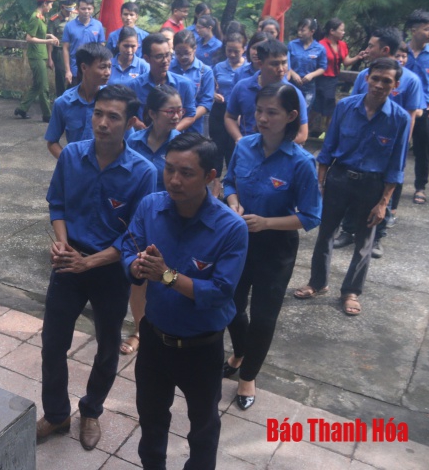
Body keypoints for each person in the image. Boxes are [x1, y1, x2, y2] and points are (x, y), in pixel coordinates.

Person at [37, 85, 156, 450]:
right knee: (52, 343)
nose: (102, 123)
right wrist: (62, 244)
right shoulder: (72, 155)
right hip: (68, 262)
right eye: (98, 114)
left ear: (132, 123)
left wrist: (89, 261)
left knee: (107, 344)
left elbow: (135, 236)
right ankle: (57, 414)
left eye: (113, 117)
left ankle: (91, 410)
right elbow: (57, 204)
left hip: (109, 271)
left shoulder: (143, 172)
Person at [119, 133, 248, 470]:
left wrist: (165, 275)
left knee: (203, 427)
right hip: (155, 339)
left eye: (186, 173)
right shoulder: (151, 206)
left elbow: (220, 292)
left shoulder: (231, 228)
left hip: (201, 349)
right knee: (151, 419)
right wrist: (134, 265)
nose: (174, 180)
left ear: (210, 177)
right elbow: (128, 244)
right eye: (169, 170)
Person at [222, 82, 321, 410]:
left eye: (272, 113)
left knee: (264, 316)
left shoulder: (301, 163)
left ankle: (248, 376)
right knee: (231, 305)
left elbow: (310, 216)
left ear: (291, 115)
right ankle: (239, 352)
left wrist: (267, 223)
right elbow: (229, 181)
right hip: (239, 240)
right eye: (259, 111)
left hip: (276, 248)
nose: (262, 118)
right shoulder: (244, 146)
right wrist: (233, 202)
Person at [294, 59, 410, 316]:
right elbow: (327, 150)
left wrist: (383, 204)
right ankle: (317, 282)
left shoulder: (399, 119)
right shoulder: (345, 107)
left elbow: (396, 166)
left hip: (372, 185)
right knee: (325, 233)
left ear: (396, 85)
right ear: (367, 78)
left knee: (364, 241)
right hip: (339, 179)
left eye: (386, 81)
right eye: (375, 78)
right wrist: (321, 184)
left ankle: (351, 291)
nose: (379, 85)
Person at [334, 27, 424, 258]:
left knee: (385, 188)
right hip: (360, 141)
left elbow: (411, 114)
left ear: (385, 49)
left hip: (389, 143)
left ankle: (377, 236)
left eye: (371, 46)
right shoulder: (366, 74)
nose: (367, 49)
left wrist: (402, 146)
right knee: (353, 184)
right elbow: (353, 104)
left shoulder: (410, 80)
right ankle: (348, 229)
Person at [120, 84, 182, 356]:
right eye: (170, 110)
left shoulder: (182, 144)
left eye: (180, 110)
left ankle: (168, 328)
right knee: (140, 276)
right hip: (137, 220)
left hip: (171, 219)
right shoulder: (132, 142)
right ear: (152, 113)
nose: (176, 116)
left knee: (169, 276)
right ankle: (139, 330)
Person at [225, 39, 309, 145]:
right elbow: (229, 117)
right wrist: (240, 139)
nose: (281, 69)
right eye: (274, 64)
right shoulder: (242, 87)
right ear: (260, 64)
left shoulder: (293, 93)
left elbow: (302, 134)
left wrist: (273, 148)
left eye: (284, 63)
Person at [45, 43, 112, 159]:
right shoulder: (63, 103)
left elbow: (128, 139)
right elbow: (52, 142)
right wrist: (69, 162)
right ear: (84, 67)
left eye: (109, 67)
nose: (108, 72)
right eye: (102, 67)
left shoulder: (113, 101)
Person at [127, 33, 197, 132]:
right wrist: (141, 127)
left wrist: (171, 132)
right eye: (159, 56)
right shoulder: (134, 86)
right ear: (147, 58)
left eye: (168, 55)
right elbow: (128, 113)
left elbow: (190, 115)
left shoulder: (184, 84)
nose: (165, 61)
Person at [315, 18, 367, 136]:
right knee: (316, 107)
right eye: (341, 30)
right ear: (332, 31)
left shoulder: (342, 45)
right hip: (320, 79)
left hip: (333, 80)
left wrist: (358, 57)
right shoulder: (320, 45)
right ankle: (304, 132)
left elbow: (346, 62)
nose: (344, 32)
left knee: (330, 109)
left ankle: (328, 134)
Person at [403, 9, 429, 205]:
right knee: (396, 146)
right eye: (427, 29)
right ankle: (390, 183)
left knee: (422, 149)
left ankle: (420, 187)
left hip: (425, 110)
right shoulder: (402, 53)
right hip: (403, 109)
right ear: (414, 30)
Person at [17, 0, 60, 122]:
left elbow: (39, 34)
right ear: (44, 4)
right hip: (36, 56)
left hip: (41, 55)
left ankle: (22, 109)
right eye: (50, 4)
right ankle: (47, 115)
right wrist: (48, 41)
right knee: (44, 87)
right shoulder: (35, 17)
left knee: (37, 85)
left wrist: (49, 35)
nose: (51, 6)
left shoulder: (41, 17)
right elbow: (29, 38)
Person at [210, 32, 247, 171]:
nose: (232, 54)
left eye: (236, 51)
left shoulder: (248, 69)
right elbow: (210, 88)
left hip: (239, 113)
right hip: (220, 110)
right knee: (217, 146)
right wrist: (214, 95)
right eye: (229, 50)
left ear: (244, 49)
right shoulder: (219, 67)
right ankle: (216, 181)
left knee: (235, 147)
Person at [169, 29, 214, 134]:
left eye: (187, 53)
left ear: (194, 49)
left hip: (195, 126)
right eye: (178, 53)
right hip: (169, 122)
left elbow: (206, 102)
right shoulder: (168, 68)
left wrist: (190, 118)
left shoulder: (205, 71)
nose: (183, 57)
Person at [62, 0, 105, 86]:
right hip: (75, 70)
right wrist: (68, 71)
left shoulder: (98, 25)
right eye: (83, 9)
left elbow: (101, 47)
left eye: (89, 9)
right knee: (75, 97)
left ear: (93, 9)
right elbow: (65, 49)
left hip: (93, 69)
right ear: (77, 9)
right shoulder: (69, 26)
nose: (86, 11)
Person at [287, 18, 328, 109]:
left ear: (312, 31)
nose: (299, 33)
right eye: (298, 30)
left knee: (304, 111)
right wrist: (293, 74)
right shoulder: (292, 45)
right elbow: (286, 63)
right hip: (292, 84)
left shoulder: (320, 49)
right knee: (289, 109)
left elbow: (323, 67)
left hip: (308, 86)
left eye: (303, 30)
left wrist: (312, 75)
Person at [48, 0, 76, 95]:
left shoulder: (76, 16)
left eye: (71, 10)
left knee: (74, 76)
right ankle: (60, 98)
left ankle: (70, 99)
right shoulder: (54, 20)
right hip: (59, 51)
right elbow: (50, 41)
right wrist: (50, 58)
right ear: (62, 7)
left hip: (73, 51)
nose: (70, 12)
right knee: (60, 76)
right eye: (68, 10)